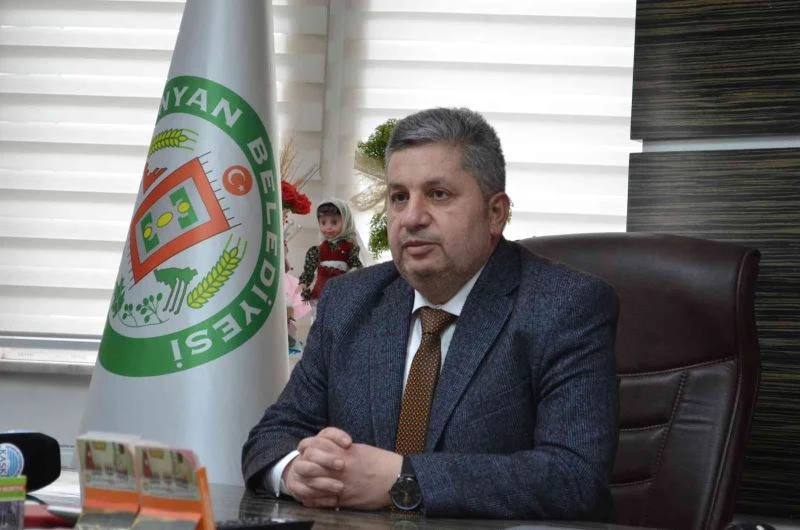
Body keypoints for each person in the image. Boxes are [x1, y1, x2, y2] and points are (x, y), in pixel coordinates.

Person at [242, 107, 619, 521]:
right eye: (399, 197)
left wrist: (403, 479)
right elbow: (271, 437)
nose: (411, 218)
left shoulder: (564, 305)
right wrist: (296, 472)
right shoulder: (350, 301)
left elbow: (574, 477)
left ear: (495, 213)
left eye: (438, 194)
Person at [297, 198, 363, 302]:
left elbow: (356, 267)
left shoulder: (350, 247)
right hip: (320, 291)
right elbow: (309, 271)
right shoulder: (317, 250)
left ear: (346, 221)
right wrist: (303, 284)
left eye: (334, 222)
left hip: (340, 290)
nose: (328, 227)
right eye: (323, 223)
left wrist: (349, 280)